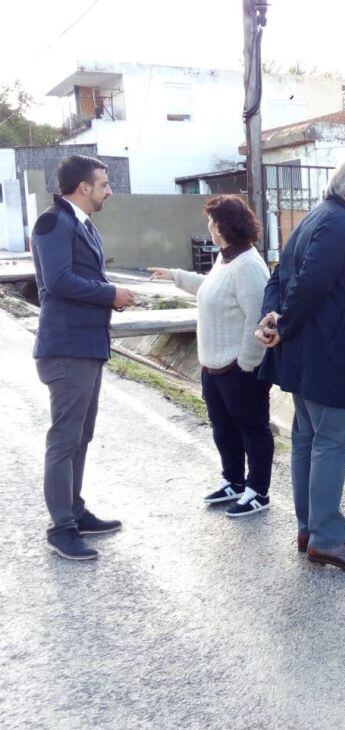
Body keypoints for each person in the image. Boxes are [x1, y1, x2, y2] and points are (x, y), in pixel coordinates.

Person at [256, 159, 345, 571]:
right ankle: (326, 538)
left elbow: (278, 278)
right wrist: (282, 322)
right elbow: (310, 284)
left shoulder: (316, 217)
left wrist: (273, 319)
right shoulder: (340, 223)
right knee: (331, 442)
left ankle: (311, 526)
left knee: (308, 439)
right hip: (327, 356)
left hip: (306, 356)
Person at [31, 154, 136, 560]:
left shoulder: (80, 223)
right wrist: (110, 294)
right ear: (82, 187)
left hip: (86, 346)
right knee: (64, 439)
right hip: (66, 349)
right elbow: (58, 282)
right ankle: (62, 527)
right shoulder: (53, 221)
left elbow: (82, 277)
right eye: (104, 184)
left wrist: (111, 295)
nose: (109, 190)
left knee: (81, 435)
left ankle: (74, 510)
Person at [148, 195, 273, 516]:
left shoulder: (249, 265)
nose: (209, 228)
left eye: (211, 222)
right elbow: (212, 288)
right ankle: (234, 481)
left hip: (238, 368)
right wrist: (175, 275)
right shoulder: (226, 258)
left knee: (252, 429)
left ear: (222, 227)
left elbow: (256, 319)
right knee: (223, 427)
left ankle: (258, 490)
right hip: (214, 366)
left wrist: (246, 364)